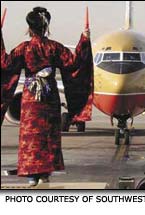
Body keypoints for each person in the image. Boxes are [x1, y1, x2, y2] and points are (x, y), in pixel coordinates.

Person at [1, 7, 93, 186]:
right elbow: (74, 63)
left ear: (30, 28)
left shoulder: (23, 48)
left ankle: (31, 175)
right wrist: (84, 40)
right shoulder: (55, 47)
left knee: (30, 137)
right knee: (48, 136)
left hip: (30, 99)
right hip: (49, 97)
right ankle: (45, 174)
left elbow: (5, 63)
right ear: (46, 27)